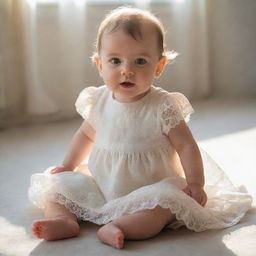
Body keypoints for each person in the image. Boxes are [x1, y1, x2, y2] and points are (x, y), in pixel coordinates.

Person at [29, 6, 252, 249]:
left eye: (140, 61)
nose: (127, 70)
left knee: (168, 203)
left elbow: (186, 146)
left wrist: (195, 183)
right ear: (100, 65)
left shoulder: (162, 106)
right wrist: (68, 165)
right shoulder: (99, 100)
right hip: (103, 185)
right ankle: (63, 220)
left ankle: (120, 227)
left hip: (150, 190)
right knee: (57, 185)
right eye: (115, 60)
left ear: (159, 66)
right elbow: (85, 134)